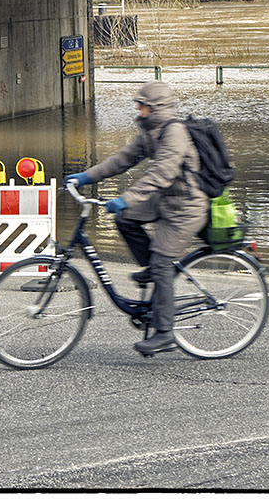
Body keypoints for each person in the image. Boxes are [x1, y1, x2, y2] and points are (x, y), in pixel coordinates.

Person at [67, 80, 209, 356]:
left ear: (155, 108)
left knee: (162, 259)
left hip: (185, 206)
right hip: (164, 199)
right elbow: (122, 160)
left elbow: (162, 174)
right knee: (125, 220)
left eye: (142, 105)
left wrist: (126, 198)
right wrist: (86, 176)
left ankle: (165, 332)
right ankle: (152, 269)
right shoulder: (149, 132)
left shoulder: (174, 133)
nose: (138, 109)